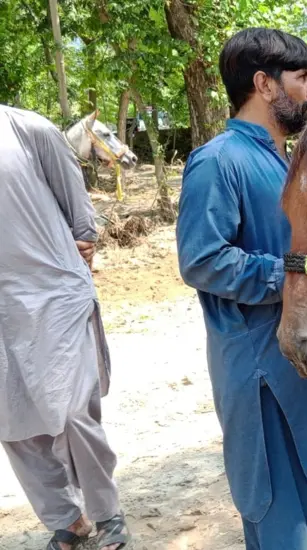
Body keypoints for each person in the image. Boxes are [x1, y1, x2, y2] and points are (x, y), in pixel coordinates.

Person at [175, 28, 307, 549]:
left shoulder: (289, 161)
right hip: (259, 367)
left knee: (302, 505)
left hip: (300, 351)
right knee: (277, 516)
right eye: (304, 77)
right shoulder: (218, 161)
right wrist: (292, 277)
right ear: (264, 85)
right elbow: (202, 260)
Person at [0, 105, 130, 550]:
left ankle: (106, 512)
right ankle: (66, 519)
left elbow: (78, 211)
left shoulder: (26, 128)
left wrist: (84, 241)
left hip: (53, 294)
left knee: (73, 411)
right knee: (12, 420)